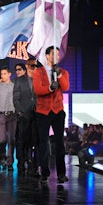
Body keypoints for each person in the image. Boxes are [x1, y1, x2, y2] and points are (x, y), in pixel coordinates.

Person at [33, 46, 70, 184]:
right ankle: (44, 171)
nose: (56, 57)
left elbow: (66, 87)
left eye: (58, 54)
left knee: (60, 142)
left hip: (58, 111)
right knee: (43, 142)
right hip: (43, 111)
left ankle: (61, 173)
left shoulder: (63, 72)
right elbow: (38, 90)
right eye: (53, 54)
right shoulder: (38, 72)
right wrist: (50, 88)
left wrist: (58, 75)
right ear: (47, 56)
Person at [13, 60, 39, 176]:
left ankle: (35, 164)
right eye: (32, 66)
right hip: (24, 115)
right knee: (22, 140)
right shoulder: (19, 81)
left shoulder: (39, 79)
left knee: (36, 141)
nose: (34, 68)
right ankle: (21, 162)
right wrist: (21, 112)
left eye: (36, 66)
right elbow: (15, 98)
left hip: (37, 114)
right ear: (27, 66)